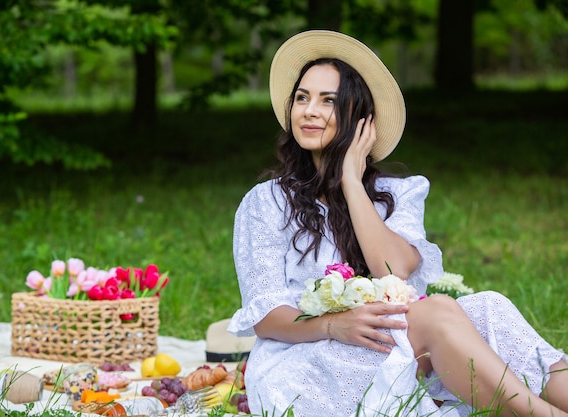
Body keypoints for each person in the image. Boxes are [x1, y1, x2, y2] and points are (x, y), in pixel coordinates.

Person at [227, 30, 568, 417]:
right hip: (305, 361)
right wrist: (332, 325)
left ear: (360, 119)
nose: (309, 110)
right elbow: (266, 316)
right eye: (302, 98)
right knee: (437, 312)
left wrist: (352, 183)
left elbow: (391, 271)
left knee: (488, 308)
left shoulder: (397, 194)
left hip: (385, 344)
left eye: (328, 101)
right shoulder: (266, 202)